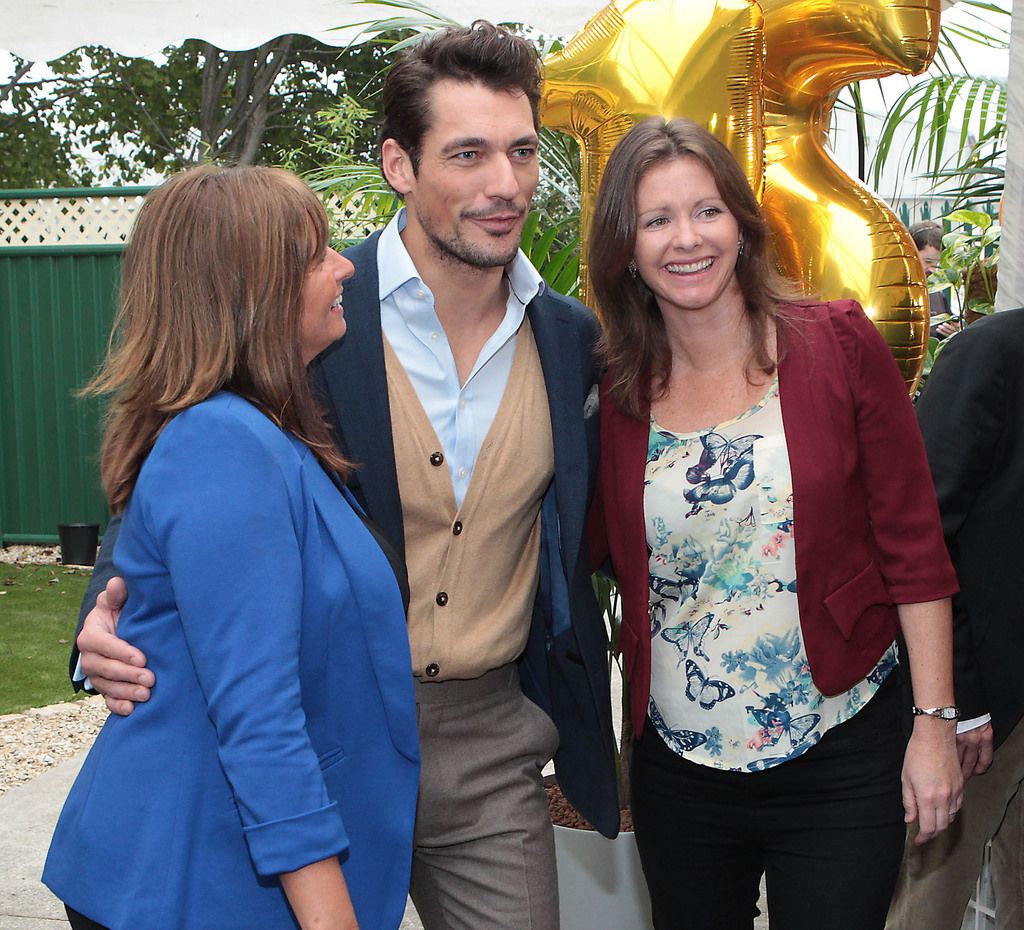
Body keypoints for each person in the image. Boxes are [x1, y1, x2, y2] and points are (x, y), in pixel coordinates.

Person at [70, 22, 620, 930]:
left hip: (490, 739)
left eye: (522, 151)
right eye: (470, 153)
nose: (505, 184)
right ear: (399, 164)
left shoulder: (573, 342)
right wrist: (108, 614)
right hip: (319, 723)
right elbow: (185, 455)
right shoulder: (302, 302)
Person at [586, 117, 963, 930]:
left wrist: (934, 725)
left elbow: (915, 548)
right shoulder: (612, 393)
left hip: (841, 747)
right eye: (657, 220)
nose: (687, 239)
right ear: (626, 247)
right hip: (680, 769)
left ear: (743, 225)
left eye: (707, 211)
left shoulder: (838, 343)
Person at [43, 165, 419, 930]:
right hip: (199, 882)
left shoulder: (264, 429)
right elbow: (260, 715)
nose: (345, 264)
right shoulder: (225, 439)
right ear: (252, 289)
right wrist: (331, 919)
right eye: (316, 255)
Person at [886, 308, 1024, 930]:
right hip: (984, 709)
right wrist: (957, 705)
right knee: (930, 903)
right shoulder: (991, 355)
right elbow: (920, 537)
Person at [909, 220, 958, 340]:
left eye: (937, 263)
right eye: (928, 261)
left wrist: (953, 332)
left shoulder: (936, 294)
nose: (933, 270)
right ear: (910, 253)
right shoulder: (893, 293)